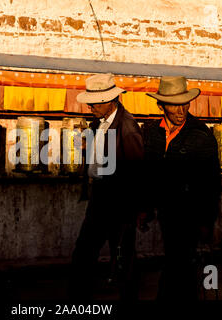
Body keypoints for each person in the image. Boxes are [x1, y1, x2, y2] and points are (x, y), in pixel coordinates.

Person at [68, 73, 145, 301]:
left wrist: (137, 208)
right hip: (100, 198)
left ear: (109, 101)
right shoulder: (98, 124)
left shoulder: (128, 127)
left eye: (94, 102)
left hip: (120, 202)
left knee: (122, 257)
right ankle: (77, 298)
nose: (89, 106)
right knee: (84, 251)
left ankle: (127, 297)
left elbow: (137, 170)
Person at [143, 76, 221, 300]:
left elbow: (211, 183)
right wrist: (145, 207)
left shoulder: (200, 135)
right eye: (174, 104)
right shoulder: (153, 133)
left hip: (190, 213)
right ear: (161, 105)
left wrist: (207, 222)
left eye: (184, 103)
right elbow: (149, 174)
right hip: (166, 212)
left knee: (179, 265)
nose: (181, 110)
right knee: (175, 262)